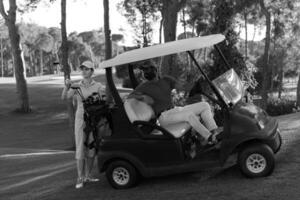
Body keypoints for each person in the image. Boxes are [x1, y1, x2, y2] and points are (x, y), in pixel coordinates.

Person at [128, 63, 220, 144]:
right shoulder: (144, 86)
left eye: (147, 69)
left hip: (174, 110)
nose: (146, 72)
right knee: (189, 115)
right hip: (163, 117)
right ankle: (209, 138)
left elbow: (182, 87)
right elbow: (130, 96)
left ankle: (215, 132)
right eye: (144, 71)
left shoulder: (166, 79)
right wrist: (142, 97)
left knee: (204, 105)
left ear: (155, 69)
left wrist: (194, 85)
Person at [62, 60, 104, 189]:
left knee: (91, 147)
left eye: (87, 69)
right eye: (83, 69)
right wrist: (67, 86)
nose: (84, 71)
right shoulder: (76, 86)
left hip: (93, 120)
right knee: (80, 147)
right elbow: (64, 97)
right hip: (80, 120)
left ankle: (88, 175)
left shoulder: (98, 86)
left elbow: (103, 101)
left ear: (92, 71)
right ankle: (80, 177)